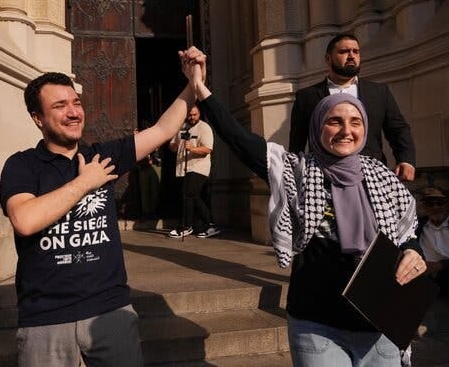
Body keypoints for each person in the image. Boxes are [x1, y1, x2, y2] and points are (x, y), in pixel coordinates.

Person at [180, 48, 427, 367]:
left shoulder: (383, 177)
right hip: (318, 326)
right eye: (334, 121)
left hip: (381, 326)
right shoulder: (294, 170)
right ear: (317, 127)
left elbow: (408, 233)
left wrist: (413, 252)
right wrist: (199, 86)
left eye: (355, 122)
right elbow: (239, 139)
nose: (346, 131)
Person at [0, 55, 201, 367]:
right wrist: (85, 183)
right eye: (60, 106)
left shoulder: (102, 155)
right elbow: (25, 220)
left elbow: (162, 130)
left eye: (75, 102)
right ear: (38, 118)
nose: (73, 112)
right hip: (46, 318)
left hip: (110, 312)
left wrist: (193, 84)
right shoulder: (22, 165)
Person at [288, 33, 417, 181]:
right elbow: (297, 141)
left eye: (355, 51)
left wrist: (406, 160)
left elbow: (398, 129)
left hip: (372, 175)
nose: (351, 56)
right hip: (324, 176)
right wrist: (294, 175)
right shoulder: (307, 96)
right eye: (344, 52)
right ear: (328, 59)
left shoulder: (379, 92)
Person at [168, 105, 221, 238]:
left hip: (198, 167)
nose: (192, 117)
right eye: (190, 115)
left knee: (187, 194)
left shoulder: (204, 128)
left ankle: (186, 226)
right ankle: (210, 225)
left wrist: (192, 148)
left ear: (199, 114)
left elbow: (207, 149)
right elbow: (173, 147)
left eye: (194, 115)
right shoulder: (181, 127)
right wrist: (173, 144)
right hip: (183, 168)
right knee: (193, 196)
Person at [417, 186, 449, 300]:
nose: (435, 207)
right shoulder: (417, 226)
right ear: (424, 207)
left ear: (448, 205)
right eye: (430, 203)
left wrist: (442, 265)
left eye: (440, 203)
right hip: (425, 278)